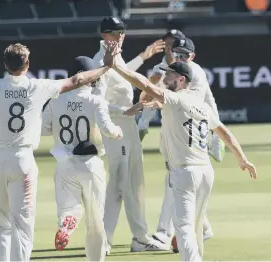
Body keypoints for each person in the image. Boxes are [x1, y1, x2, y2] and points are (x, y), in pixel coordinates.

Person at [0, 43, 114, 261]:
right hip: (22, 160)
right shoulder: (37, 86)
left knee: (1, 225)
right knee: (22, 225)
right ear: (27, 64)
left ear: (5, 64)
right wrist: (106, 67)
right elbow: (77, 81)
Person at [104, 47, 257, 261]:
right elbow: (224, 132)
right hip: (205, 172)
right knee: (195, 226)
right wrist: (243, 159)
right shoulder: (201, 106)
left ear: (183, 80)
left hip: (185, 172)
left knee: (184, 227)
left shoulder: (176, 100)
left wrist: (116, 66)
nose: (165, 78)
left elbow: (145, 84)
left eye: (170, 75)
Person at [41, 55, 146, 261]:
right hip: (90, 164)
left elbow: (44, 129)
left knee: (68, 208)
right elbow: (108, 129)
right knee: (96, 220)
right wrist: (117, 132)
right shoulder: (95, 100)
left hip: (64, 164)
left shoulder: (56, 99)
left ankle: (67, 223)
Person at [92, 16, 168, 253]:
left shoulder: (116, 57)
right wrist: (124, 110)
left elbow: (123, 74)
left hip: (128, 128)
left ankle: (139, 238)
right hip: (116, 130)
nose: (121, 36)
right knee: (118, 185)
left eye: (123, 32)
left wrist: (143, 57)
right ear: (105, 35)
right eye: (116, 33)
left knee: (135, 184)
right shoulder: (100, 61)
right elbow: (96, 102)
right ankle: (103, 240)